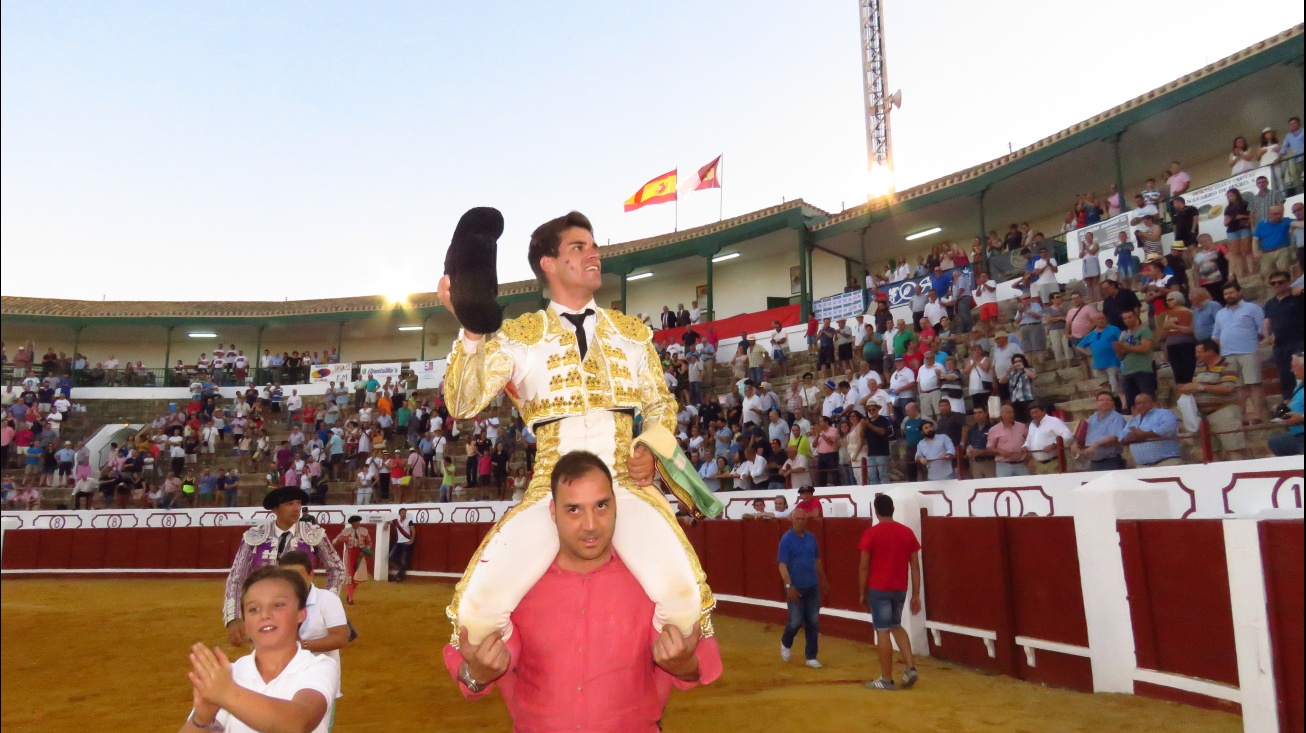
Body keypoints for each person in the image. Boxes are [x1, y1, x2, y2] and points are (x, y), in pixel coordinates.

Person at [438, 210, 717, 649]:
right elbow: (463, 403)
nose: (594, 254)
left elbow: (660, 403)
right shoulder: (517, 336)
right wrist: (471, 329)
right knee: (476, 614)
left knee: (685, 605)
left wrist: (650, 445)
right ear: (548, 264)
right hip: (551, 492)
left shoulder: (632, 333)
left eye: (594, 246)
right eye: (579, 247)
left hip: (623, 484)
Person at [442, 451, 721, 730]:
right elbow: (468, 668)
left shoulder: (650, 577)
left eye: (601, 506)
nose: (590, 525)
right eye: (573, 509)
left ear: (616, 505)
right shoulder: (517, 581)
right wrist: (475, 675)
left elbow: (702, 660)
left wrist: (685, 666)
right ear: (553, 512)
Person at [181, 566, 339, 733]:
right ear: (245, 624)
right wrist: (202, 720)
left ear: (301, 614)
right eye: (253, 609)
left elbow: (300, 722)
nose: (265, 615)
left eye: (278, 605)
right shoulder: (230, 674)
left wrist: (227, 693)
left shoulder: (319, 666)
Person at [222, 487, 344, 648]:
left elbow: (337, 570)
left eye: (299, 503)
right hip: (265, 611)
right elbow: (236, 579)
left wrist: (326, 602)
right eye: (289, 504)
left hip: (303, 613)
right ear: (275, 509)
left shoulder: (314, 534)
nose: (297, 508)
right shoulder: (254, 536)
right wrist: (233, 617)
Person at [858, 494, 921, 691]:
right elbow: (915, 566)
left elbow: (864, 567)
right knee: (896, 625)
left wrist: (862, 592)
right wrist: (916, 594)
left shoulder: (872, 533)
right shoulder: (907, 532)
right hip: (900, 588)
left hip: (879, 588)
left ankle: (886, 679)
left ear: (876, 512)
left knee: (883, 629)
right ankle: (910, 668)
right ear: (892, 509)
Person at [278, 551, 350, 670]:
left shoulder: (327, 599)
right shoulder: (274, 603)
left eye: (298, 576)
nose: (292, 582)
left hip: (320, 673)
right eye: (286, 577)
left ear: (311, 575)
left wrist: (301, 645)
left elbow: (340, 638)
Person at [776, 507, 828, 668]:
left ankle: (811, 656)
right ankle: (786, 642)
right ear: (792, 520)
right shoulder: (786, 539)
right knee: (796, 621)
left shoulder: (811, 538)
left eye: (803, 519)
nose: (800, 522)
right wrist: (788, 585)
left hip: (812, 585)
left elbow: (817, 560)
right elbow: (782, 565)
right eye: (797, 519)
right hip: (795, 586)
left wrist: (823, 580)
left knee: (813, 621)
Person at [1212, 282, 1266, 423]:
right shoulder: (1220, 314)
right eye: (1226, 294)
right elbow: (1216, 335)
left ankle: (1257, 415)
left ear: (1239, 292)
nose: (1228, 296)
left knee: (1254, 383)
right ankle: (1242, 417)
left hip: (1248, 351)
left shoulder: (1252, 308)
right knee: (1238, 387)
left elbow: (1262, 329)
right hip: (1228, 354)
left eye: (1231, 292)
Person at [1179, 339, 1246, 454]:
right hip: (1203, 415)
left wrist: (1200, 387)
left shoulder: (1228, 365)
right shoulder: (1200, 367)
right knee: (1212, 452)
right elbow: (1195, 386)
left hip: (1224, 412)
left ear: (1210, 352)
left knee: (1234, 450)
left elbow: (1228, 388)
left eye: (1199, 352)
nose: (1196, 355)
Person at [1263, 271, 1304, 402]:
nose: (1277, 285)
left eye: (1280, 282)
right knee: (1285, 376)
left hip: (1299, 341)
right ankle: (1289, 403)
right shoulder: (1270, 304)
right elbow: (1267, 322)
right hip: (1280, 345)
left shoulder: (1298, 298)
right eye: (1273, 283)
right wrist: (1267, 336)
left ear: (1288, 283)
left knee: (1301, 373)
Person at [1118, 393, 1182, 468]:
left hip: (1166, 462)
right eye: (1138, 403)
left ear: (1152, 403)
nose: (1142, 405)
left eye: (1145, 402)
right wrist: (1133, 437)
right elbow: (1121, 437)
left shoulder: (1163, 413)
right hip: (1142, 466)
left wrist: (1143, 435)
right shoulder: (1133, 421)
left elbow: (1169, 428)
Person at [1114, 310, 1156, 411]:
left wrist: (1125, 347)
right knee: (1132, 402)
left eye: (1129, 317)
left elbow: (1145, 348)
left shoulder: (1144, 331)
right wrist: (1118, 349)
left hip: (1143, 369)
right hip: (1128, 371)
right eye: (1124, 318)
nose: (1127, 320)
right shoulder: (1125, 335)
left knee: (1148, 398)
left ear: (1136, 318)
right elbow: (1121, 357)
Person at [1077, 392, 1127, 471]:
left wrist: (1096, 444)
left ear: (1113, 403)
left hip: (1111, 461)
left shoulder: (1116, 417)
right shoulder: (1092, 418)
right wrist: (1075, 443)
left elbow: (1114, 437)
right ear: (1096, 403)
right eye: (1101, 400)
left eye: (1108, 400)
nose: (1105, 402)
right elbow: (1083, 435)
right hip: (1094, 462)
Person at [1268, 352, 1303, 456]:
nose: (1292, 370)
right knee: (1275, 443)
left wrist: (1301, 418)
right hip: (1296, 434)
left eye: (1294, 367)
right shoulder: (1299, 386)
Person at [1023, 403, 1073, 475]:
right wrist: (1025, 446)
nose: (1034, 415)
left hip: (1054, 463)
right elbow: (1029, 439)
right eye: (1032, 413)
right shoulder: (1032, 424)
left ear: (1043, 411)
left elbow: (1067, 436)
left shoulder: (1054, 421)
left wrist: (1054, 445)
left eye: (1036, 412)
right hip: (1038, 465)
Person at [333, 516, 372, 605]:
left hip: (360, 554)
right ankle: (350, 598)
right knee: (350, 576)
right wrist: (339, 540)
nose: (358, 523)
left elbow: (369, 543)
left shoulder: (364, 531)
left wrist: (365, 550)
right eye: (356, 522)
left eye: (359, 521)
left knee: (358, 576)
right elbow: (334, 541)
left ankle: (349, 593)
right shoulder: (346, 532)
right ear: (352, 523)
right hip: (349, 554)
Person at [987, 404, 1029, 477]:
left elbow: (1029, 439)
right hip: (1003, 466)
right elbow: (989, 448)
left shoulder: (1021, 426)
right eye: (1008, 412)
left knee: (1026, 486)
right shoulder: (994, 430)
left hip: (1021, 464)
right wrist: (1000, 451)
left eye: (1012, 412)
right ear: (1001, 415)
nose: (1011, 415)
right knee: (1005, 487)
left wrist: (1026, 446)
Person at [390, 507, 416, 582]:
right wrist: (385, 523)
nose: (404, 514)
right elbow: (389, 522)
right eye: (402, 513)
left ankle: (399, 576)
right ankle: (401, 567)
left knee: (404, 560)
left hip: (406, 542)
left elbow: (413, 530)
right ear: (399, 514)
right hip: (399, 542)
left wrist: (412, 540)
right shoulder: (396, 521)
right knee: (391, 557)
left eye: (405, 513)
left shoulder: (409, 521)